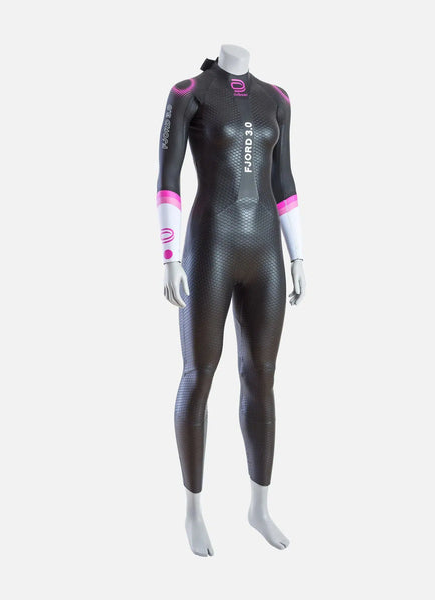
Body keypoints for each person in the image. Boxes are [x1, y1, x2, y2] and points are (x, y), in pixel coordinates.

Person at [156, 45, 306, 556]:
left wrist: (298, 255)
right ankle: (193, 512)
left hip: (265, 252)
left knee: (261, 376)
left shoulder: (276, 99)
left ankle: (259, 508)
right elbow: (168, 178)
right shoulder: (189, 93)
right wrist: (169, 256)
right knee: (199, 375)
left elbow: (283, 181)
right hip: (210, 249)